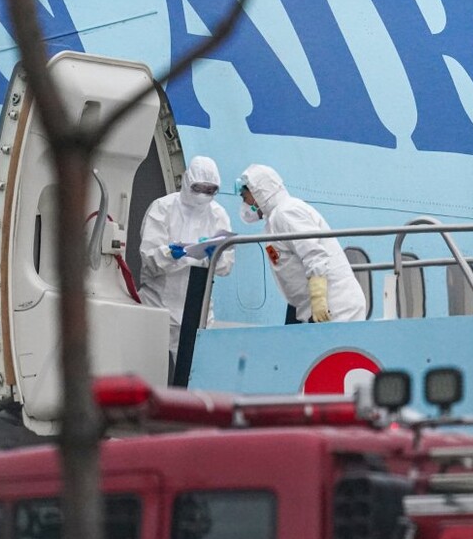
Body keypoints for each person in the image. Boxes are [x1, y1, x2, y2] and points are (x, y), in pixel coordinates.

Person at [139, 156, 234, 378]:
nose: (203, 194)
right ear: (187, 180)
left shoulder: (217, 214)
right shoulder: (163, 208)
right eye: (198, 187)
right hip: (158, 306)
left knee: (195, 376)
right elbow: (149, 260)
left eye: (209, 190)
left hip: (197, 310)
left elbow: (226, 265)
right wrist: (170, 254)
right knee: (150, 373)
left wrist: (214, 255)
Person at [236, 164, 366, 323]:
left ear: (259, 192)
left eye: (245, 197)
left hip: (333, 307)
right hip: (310, 308)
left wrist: (319, 299)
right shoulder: (274, 220)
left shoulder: (287, 212)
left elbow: (314, 255)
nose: (244, 203)